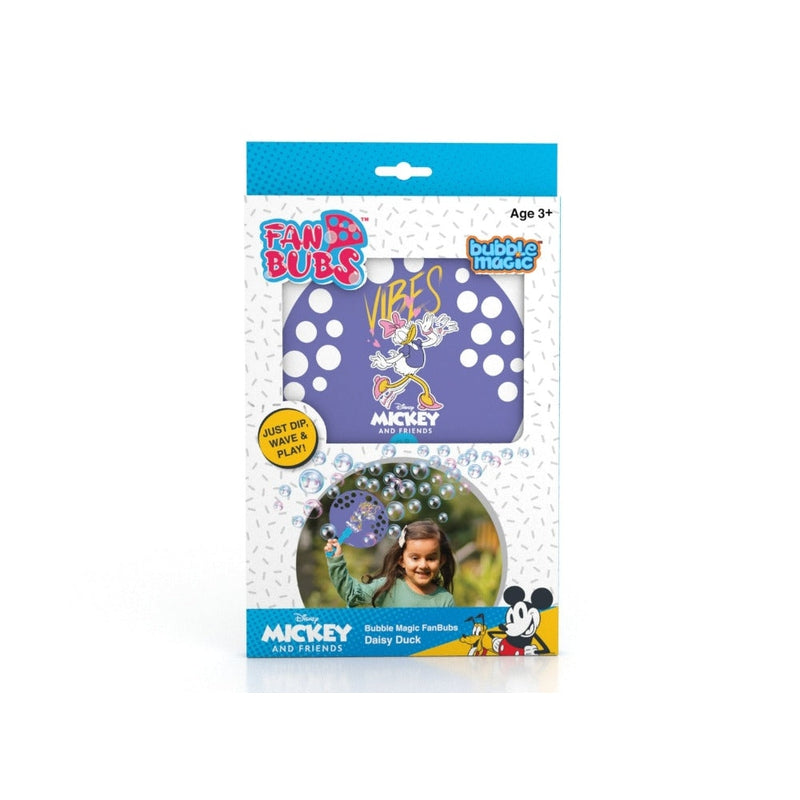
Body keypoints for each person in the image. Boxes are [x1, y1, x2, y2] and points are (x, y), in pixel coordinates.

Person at [324, 519, 456, 607]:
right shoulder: (386, 587)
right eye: (415, 558)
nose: (423, 565)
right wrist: (336, 560)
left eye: (431, 559)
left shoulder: (445, 600)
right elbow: (351, 593)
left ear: (441, 561)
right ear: (401, 560)